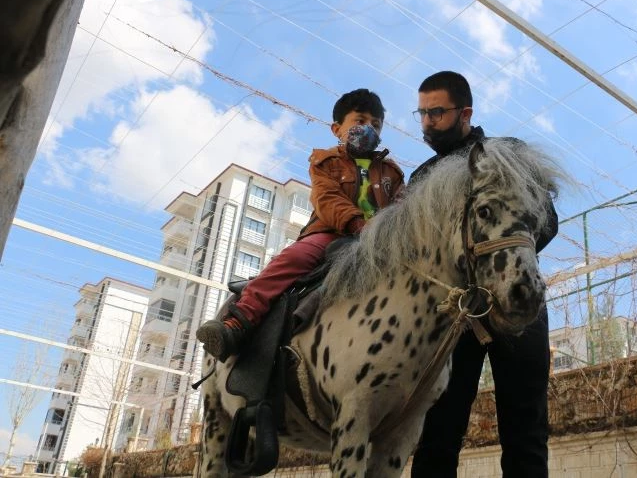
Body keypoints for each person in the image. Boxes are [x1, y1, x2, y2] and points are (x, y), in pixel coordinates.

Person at [408, 71, 558, 478]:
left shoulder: (508, 152)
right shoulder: (420, 179)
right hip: (450, 316)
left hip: (516, 297)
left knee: (526, 431)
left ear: (465, 112)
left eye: (436, 112)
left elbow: (545, 220)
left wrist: (497, 263)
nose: (426, 122)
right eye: (421, 113)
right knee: (437, 432)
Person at [196, 88, 405, 361]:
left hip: (381, 242)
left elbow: (403, 207)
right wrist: (357, 223)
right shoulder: (325, 162)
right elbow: (326, 199)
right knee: (293, 258)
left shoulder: (391, 171)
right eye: (360, 121)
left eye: (376, 125)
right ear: (336, 128)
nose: (369, 128)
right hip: (331, 233)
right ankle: (239, 320)